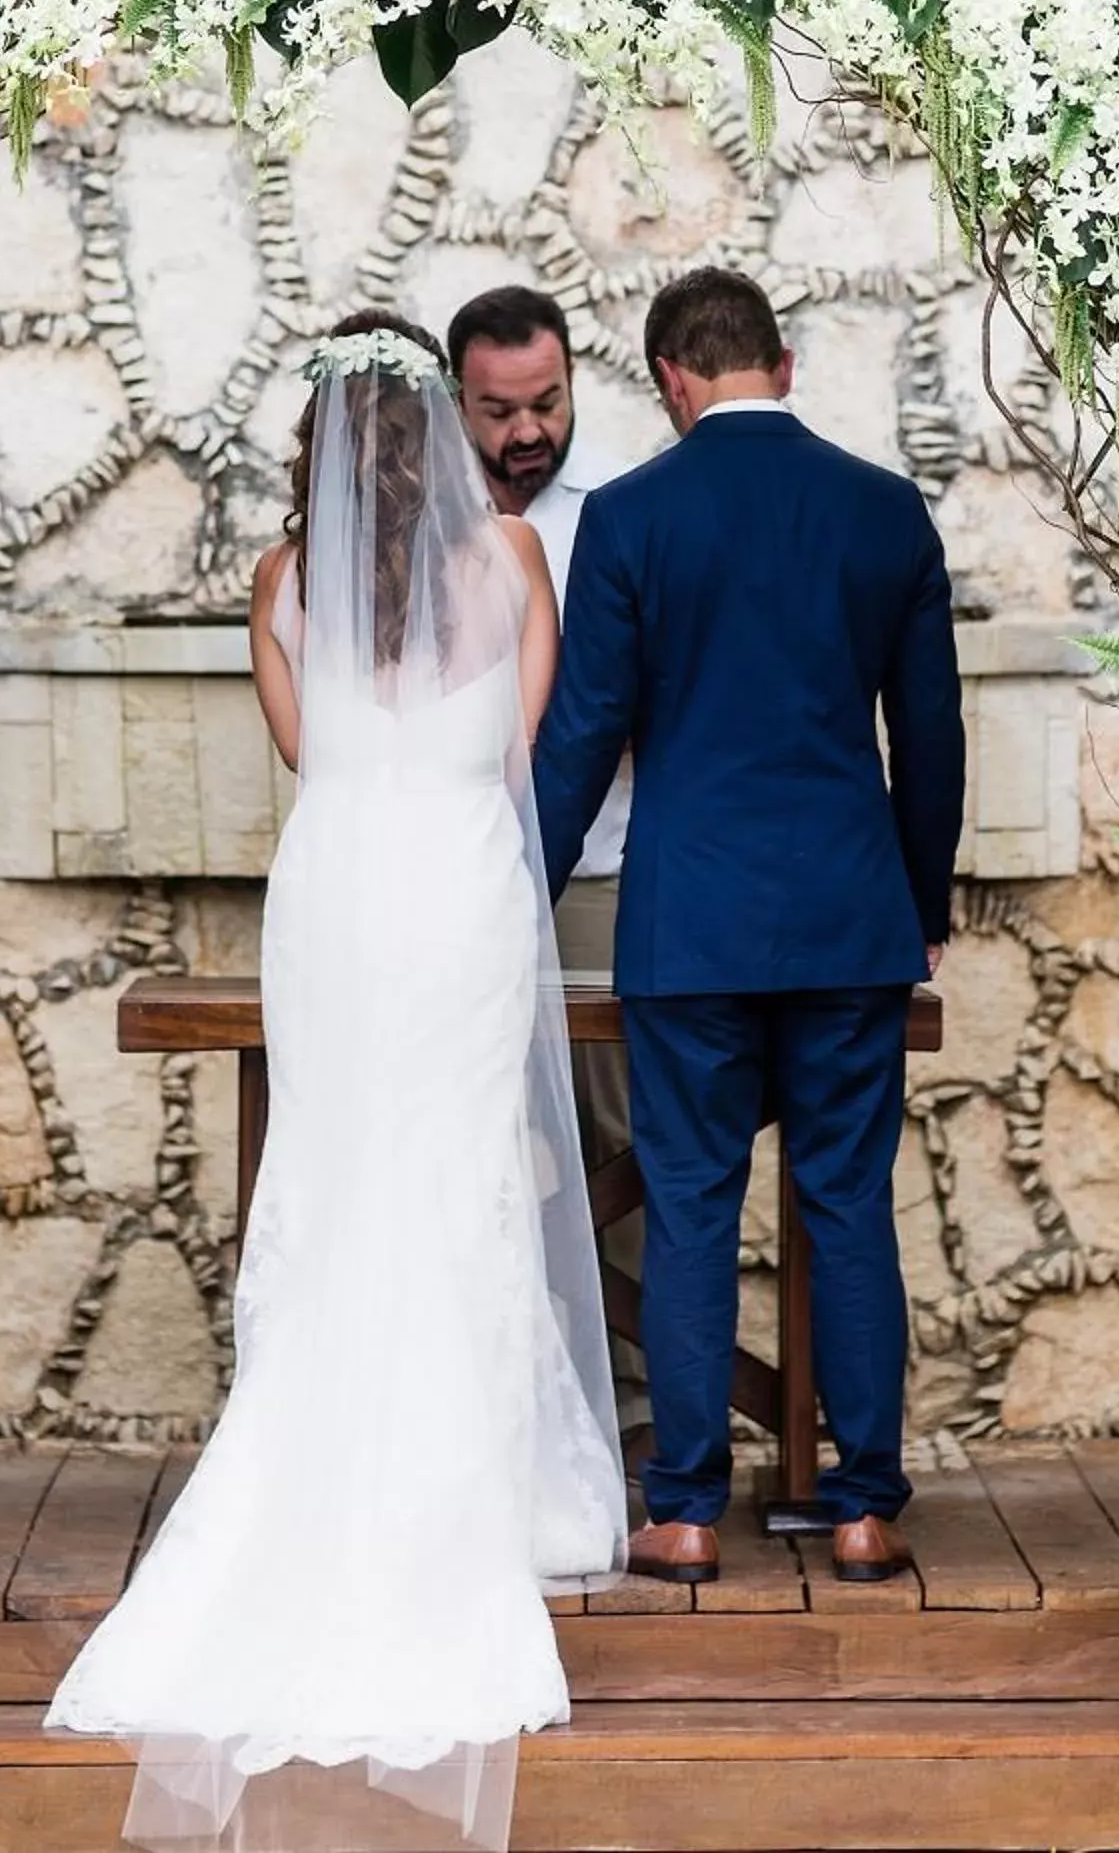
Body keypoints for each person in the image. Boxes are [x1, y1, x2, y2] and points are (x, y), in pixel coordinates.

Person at [48, 313, 625, 1852]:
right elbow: (525, 737)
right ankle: (473, 1496)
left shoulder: (281, 583)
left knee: (342, 1170)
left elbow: (305, 752)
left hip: (338, 896)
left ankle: (308, 1456)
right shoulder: (508, 563)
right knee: (459, 1170)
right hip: (454, 892)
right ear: (440, 435)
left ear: (315, 449)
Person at [533, 268, 965, 1591]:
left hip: (693, 924)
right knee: (844, 1207)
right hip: (846, 920)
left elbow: (580, 737)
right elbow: (931, 740)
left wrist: (513, 898)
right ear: (778, 362)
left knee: (686, 1207)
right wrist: (921, 904)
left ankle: (677, 1512)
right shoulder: (885, 514)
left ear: (671, 382)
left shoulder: (628, 517)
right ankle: (860, 1508)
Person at [446, 287, 646, 1446]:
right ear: (455, 401)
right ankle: (487, 1408)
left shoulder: (616, 508)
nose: (526, 432)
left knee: (611, 1151)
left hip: (596, 877)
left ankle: (623, 1410)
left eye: (547, 403)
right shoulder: (410, 512)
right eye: (498, 410)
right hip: (450, 883)